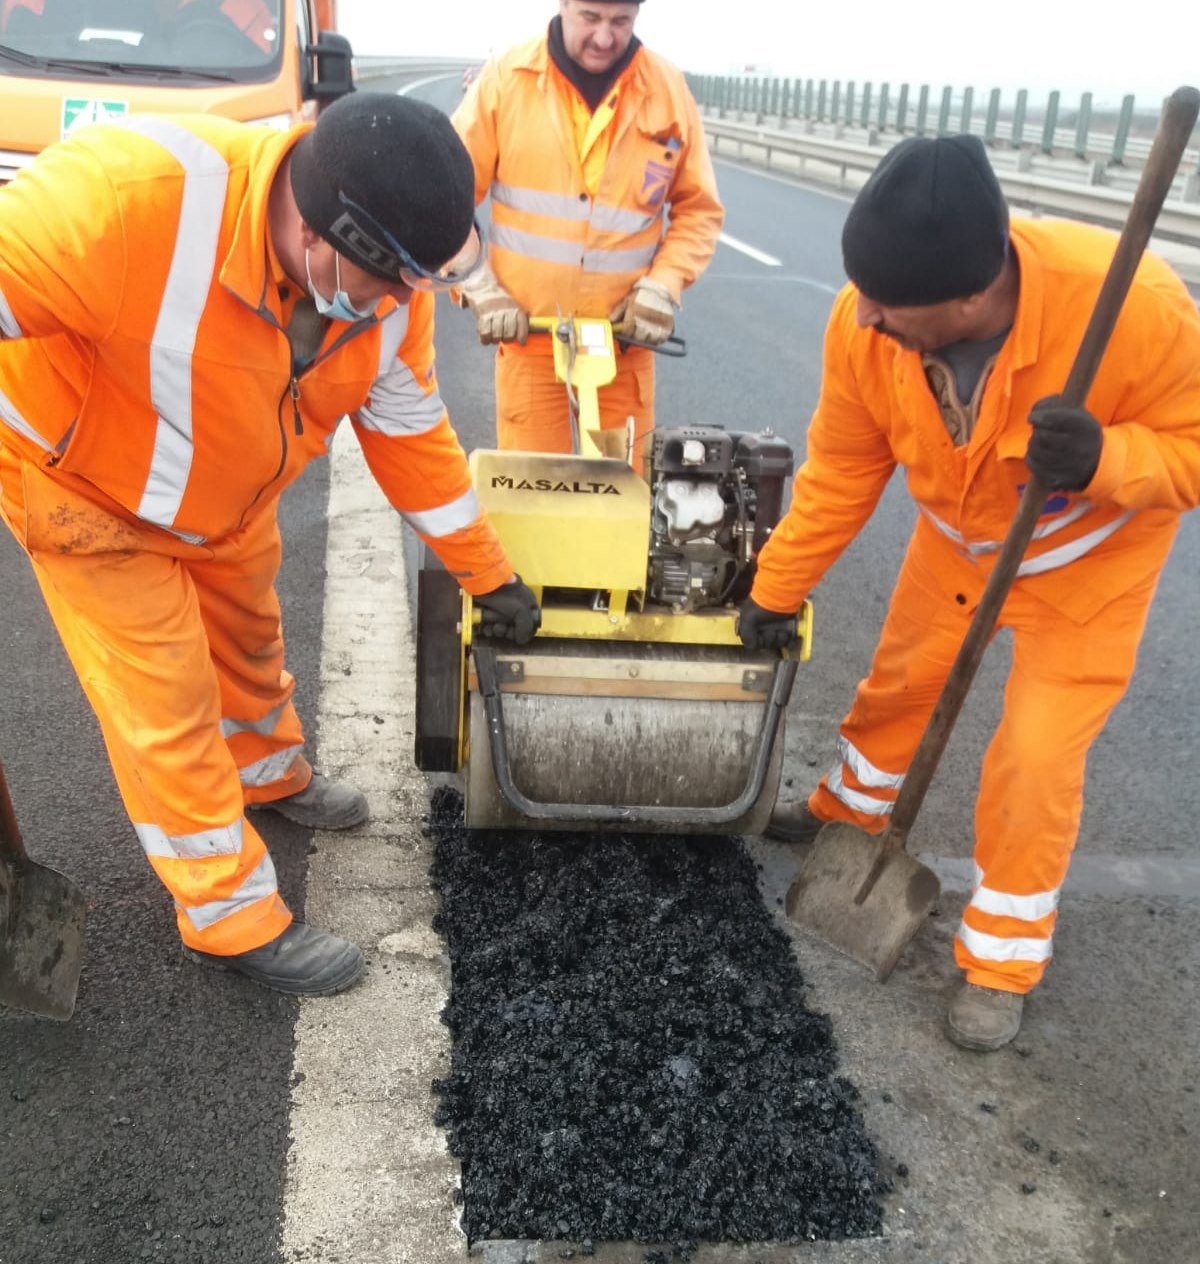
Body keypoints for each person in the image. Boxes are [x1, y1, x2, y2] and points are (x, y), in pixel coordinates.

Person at [0, 92, 540, 997]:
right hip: (87, 495)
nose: (407, 303)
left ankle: (266, 770)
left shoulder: (390, 297)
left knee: (251, 639)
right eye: (396, 279)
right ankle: (229, 915)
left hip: (223, 497)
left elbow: (411, 435)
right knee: (167, 703)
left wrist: (492, 578)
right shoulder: (125, 203)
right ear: (334, 237)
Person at [738, 135, 1200, 1052]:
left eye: (887, 305)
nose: (863, 315)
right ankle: (850, 809)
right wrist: (776, 591)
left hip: (1086, 563)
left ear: (972, 298)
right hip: (957, 545)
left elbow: (1190, 449)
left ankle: (1000, 959)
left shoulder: (1133, 307)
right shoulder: (859, 325)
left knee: (1032, 758)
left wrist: (1110, 459)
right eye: (860, 290)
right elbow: (840, 474)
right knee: (899, 688)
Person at [451, 0, 723, 457]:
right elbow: (443, 197)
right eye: (591, 19)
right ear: (563, 6)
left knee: (622, 506)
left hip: (622, 349)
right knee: (532, 503)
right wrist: (477, 285)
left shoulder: (667, 91)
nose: (604, 37)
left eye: (620, 21)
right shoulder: (507, 80)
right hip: (531, 346)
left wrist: (663, 286)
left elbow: (699, 210)